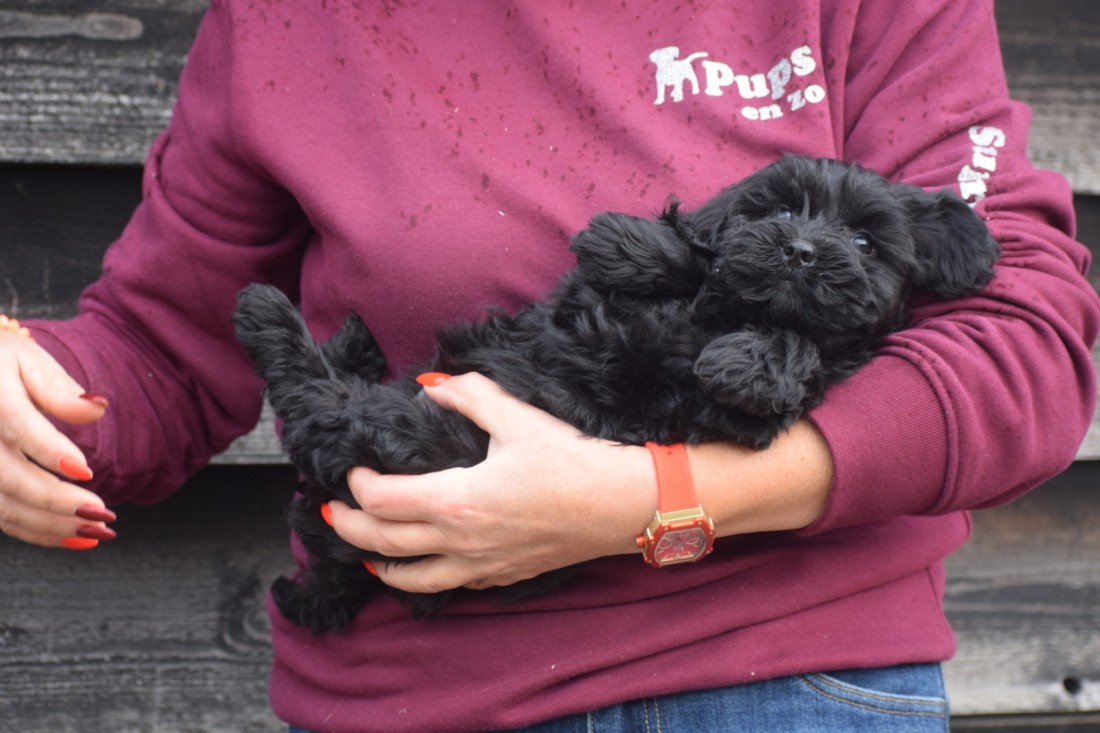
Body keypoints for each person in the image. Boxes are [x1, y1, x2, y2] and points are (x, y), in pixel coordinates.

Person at [1, 1, 1096, 731]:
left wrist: (658, 499)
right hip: (411, 687)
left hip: (776, 678)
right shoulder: (286, 21)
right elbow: (157, 352)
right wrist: (30, 388)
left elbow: (1022, 338)